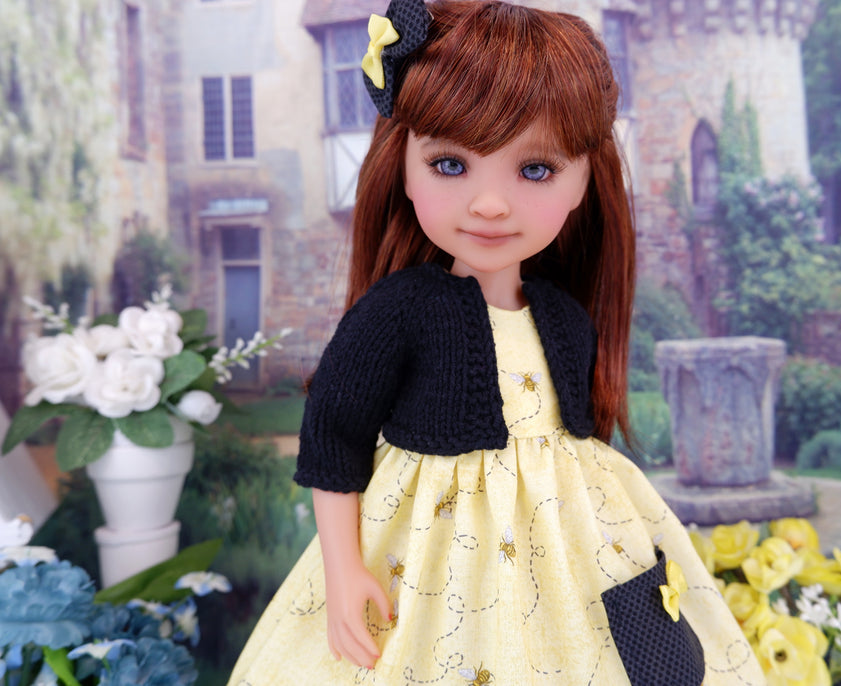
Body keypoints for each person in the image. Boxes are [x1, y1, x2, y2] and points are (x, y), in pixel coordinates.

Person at [228, 1, 764, 684]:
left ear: (583, 180)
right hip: (430, 554)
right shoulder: (401, 311)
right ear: (405, 166)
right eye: (450, 164)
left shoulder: (563, 316)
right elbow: (333, 439)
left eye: (535, 170)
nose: (489, 204)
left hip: (571, 549)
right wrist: (342, 569)